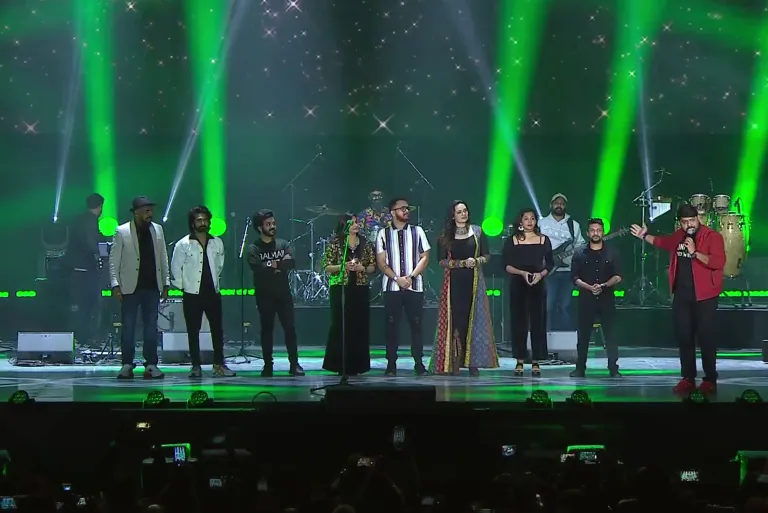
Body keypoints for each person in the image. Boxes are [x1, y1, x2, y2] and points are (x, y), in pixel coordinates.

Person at [630, 203, 725, 394]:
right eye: (685, 221)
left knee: (706, 338)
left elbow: (718, 262)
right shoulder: (679, 236)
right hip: (682, 295)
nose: (689, 225)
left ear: (698, 219)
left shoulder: (712, 236)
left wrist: (695, 252)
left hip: (705, 296)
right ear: (679, 222)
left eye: (692, 220)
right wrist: (644, 235)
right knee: (684, 337)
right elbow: (663, 242)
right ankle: (688, 378)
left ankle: (710, 379)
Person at [430, 201, 499, 376]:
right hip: (453, 283)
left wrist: (476, 261)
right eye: (459, 212)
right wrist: (460, 263)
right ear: (453, 215)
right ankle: (454, 361)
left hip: (473, 282)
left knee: (472, 319)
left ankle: (471, 362)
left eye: (465, 210)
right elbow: (441, 261)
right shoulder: (445, 236)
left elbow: (487, 255)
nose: (463, 214)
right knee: (455, 320)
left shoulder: (477, 231)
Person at [170, 205, 235, 378]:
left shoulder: (217, 242)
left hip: (212, 292)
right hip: (192, 294)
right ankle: (195, 365)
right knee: (193, 331)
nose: (202, 223)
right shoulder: (183, 244)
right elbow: (175, 268)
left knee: (217, 330)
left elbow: (220, 265)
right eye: (199, 220)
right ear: (192, 223)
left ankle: (219, 364)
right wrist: (184, 287)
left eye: (205, 220)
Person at [108, 197, 170, 380]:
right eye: (146, 210)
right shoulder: (122, 231)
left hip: (152, 286)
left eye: (151, 210)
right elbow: (114, 261)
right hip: (129, 286)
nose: (150, 214)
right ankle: (127, 363)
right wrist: (115, 284)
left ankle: (151, 364)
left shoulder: (157, 229)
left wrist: (166, 282)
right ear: (136, 213)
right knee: (128, 327)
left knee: (151, 327)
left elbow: (163, 257)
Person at [375, 197, 431, 376]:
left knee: (416, 325)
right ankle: (391, 364)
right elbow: (381, 262)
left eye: (407, 208)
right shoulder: (383, 234)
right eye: (402, 208)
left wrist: (411, 277)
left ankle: (419, 363)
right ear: (393, 212)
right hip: (392, 288)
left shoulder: (417, 231)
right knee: (391, 326)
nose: (406, 211)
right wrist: (397, 279)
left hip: (415, 287)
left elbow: (425, 257)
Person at [247, 209, 305, 377]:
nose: (272, 226)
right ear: (260, 227)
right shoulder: (254, 248)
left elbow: (291, 263)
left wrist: (273, 265)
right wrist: (279, 264)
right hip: (264, 294)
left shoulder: (283, 244)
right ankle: (268, 365)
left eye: (273, 223)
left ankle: (294, 364)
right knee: (267, 330)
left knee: (290, 328)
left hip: (283, 294)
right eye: (268, 224)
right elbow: (258, 269)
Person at [322, 213, 376, 376]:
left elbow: (373, 266)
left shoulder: (365, 243)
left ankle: (358, 365)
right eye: (352, 223)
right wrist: (343, 266)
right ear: (344, 225)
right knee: (340, 324)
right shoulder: (335, 243)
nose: (356, 225)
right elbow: (326, 266)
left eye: (356, 222)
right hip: (340, 287)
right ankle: (339, 364)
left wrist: (362, 268)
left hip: (360, 287)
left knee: (359, 324)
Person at [502, 208, 554, 376]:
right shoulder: (512, 240)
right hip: (518, 283)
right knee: (519, 322)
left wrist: (540, 275)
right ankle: (519, 360)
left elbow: (550, 264)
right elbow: (506, 265)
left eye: (532, 218)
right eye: (526, 218)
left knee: (538, 321)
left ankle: (536, 360)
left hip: (538, 282)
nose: (530, 221)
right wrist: (522, 273)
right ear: (520, 221)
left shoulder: (544, 239)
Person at [570, 218, 622, 378]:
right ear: (587, 233)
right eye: (592, 230)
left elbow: (618, 276)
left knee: (611, 334)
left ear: (603, 232)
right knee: (583, 335)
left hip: (607, 298)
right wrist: (589, 287)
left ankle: (613, 368)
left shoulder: (612, 252)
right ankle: (580, 368)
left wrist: (604, 285)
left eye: (598, 230)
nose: (595, 233)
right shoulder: (579, 253)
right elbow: (574, 278)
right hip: (586, 298)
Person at [539, 193, 585, 331]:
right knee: (548, 305)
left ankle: (566, 337)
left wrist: (578, 252)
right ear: (551, 205)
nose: (559, 205)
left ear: (565, 206)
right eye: (556, 203)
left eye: (562, 203)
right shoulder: (541, 223)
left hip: (567, 271)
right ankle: (545, 336)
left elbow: (580, 245)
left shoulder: (573, 225)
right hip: (547, 271)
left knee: (565, 306)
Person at [67, 193, 104, 346]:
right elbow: (91, 244)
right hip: (87, 270)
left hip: (77, 269)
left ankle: (80, 337)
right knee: (91, 305)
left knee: (81, 306)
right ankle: (88, 338)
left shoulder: (78, 219)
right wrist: (100, 255)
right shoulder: (91, 221)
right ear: (100, 207)